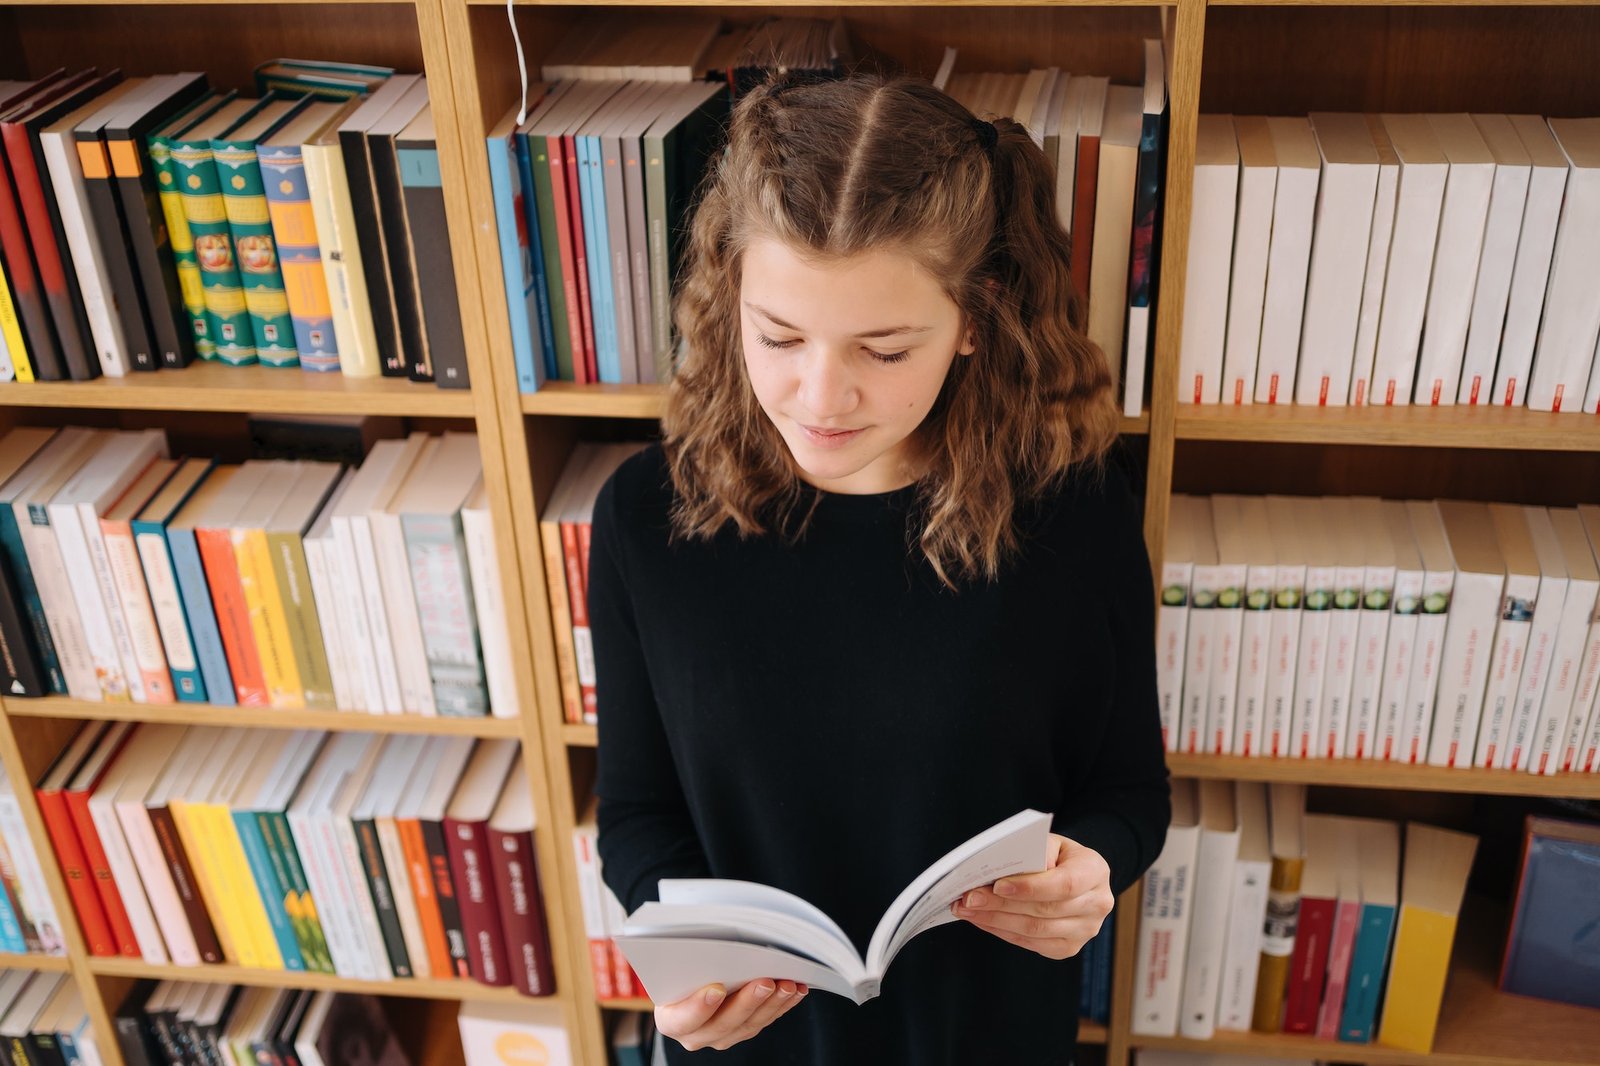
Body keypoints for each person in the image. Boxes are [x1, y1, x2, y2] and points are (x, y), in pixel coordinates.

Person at [592, 72, 1171, 1064]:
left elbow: (1127, 788)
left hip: (982, 1036)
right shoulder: (648, 516)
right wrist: (679, 958)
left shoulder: (1073, 509)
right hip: (749, 1043)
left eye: (885, 347)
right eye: (777, 335)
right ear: (730, 293)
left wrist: (1095, 866)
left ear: (975, 322)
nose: (819, 395)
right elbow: (638, 814)